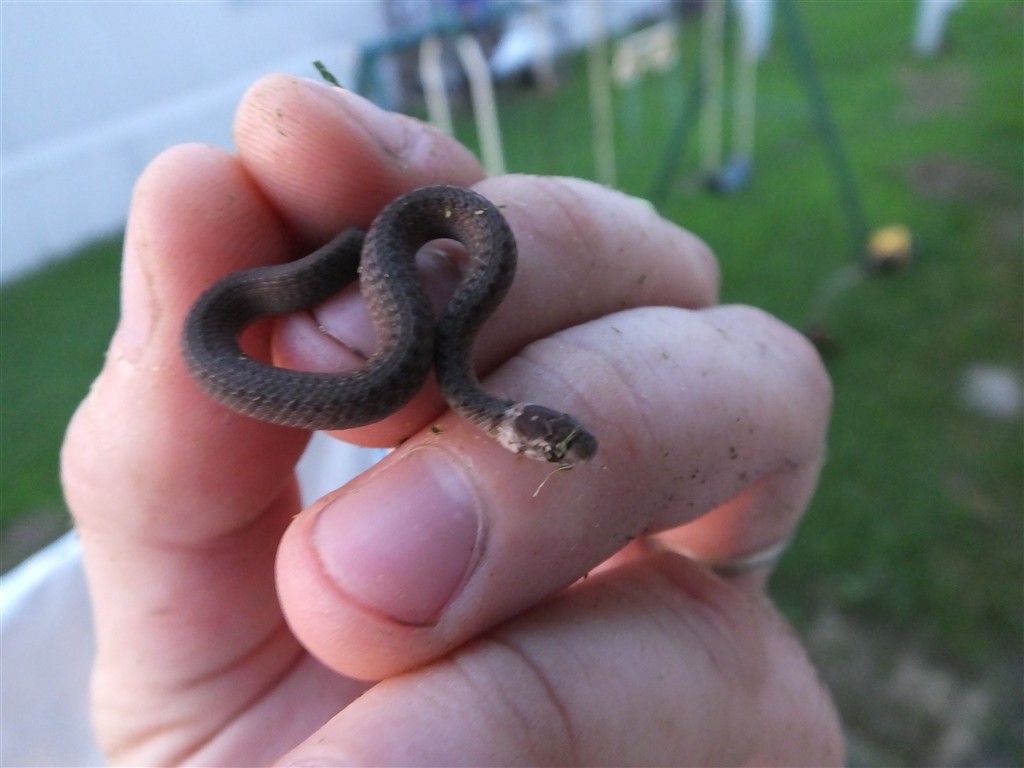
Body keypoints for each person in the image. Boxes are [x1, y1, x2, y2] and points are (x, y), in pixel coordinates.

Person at [60, 74, 842, 765]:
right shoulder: (435, 356)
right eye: (558, 448)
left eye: (556, 449)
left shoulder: (458, 345)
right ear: (519, 429)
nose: (563, 455)